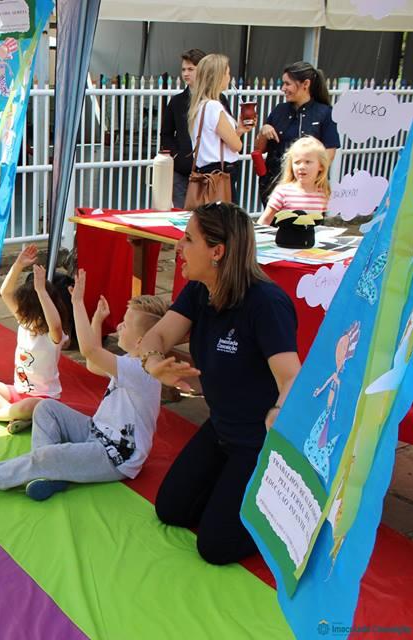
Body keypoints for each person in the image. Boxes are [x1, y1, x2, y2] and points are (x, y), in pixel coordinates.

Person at [139, 201, 301, 565]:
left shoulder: (265, 303)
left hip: (258, 441)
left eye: (188, 239)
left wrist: (278, 410)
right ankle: (233, 493)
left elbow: (292, 376)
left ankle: (282, 515)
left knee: (215, 547)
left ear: (217, 251)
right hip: (221, 428)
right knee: (171, 509)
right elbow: (157, 337)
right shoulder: (200, 291)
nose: (179, 247)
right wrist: (153, 365)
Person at [0, 269, 167, 501]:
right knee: (45, 409)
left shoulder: (142, 371)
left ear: (141, 340)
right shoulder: (132, 362)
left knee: (51, 454)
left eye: (125, 325)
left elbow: (89, 350)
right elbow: (93, 364)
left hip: (115, 456)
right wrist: (96, 321)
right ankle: (50, 473)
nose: (119, 327)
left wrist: (77, 302)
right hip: (94, 431)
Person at [0, 245, 70, 434]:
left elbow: (54, 324)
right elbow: (5, 293)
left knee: (27, 407)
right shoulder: (24, 322)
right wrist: (19, 264)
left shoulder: (54, 335)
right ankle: (14, 415)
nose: (23, 315)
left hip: (44, 400)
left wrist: (41, 291)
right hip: (16, 392)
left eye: (30, 313)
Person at [257, 61, 340, 207]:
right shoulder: (279, 110)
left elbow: (329, 154)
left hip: (307, 192)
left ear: (305, 84)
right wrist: (263, 131)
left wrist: (308, 177)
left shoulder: (325, 113)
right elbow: (259, 149)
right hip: (274, 187)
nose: (283, 88)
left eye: (287, 84)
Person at [160, 48, 231, 209]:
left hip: (210, 174)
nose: (186, 73)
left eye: (191, 69)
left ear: (204, 70)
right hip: (183, 171)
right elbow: (166, 134)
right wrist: (177, 156)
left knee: (209, 218)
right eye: (184, 69)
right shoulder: (177, 101)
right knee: (181, 215)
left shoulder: (219, 99)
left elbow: (228, 134)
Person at [188, 54, 253, 203]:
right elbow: (236, 145)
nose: (229, 78)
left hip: (205, 172)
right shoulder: (214, 106)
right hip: (220, 175)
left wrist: (239, 131)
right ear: (219, 76)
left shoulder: (200, 106)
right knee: (225, 221)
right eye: (227, 73)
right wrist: (238, 134)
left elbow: (216, 140)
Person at [256, 136, 331, 226]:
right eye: (297, 162)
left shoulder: (323, 193)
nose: (302, 167)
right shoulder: (283, 192)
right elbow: (264, 221)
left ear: (321, 166)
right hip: (286, 239)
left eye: (308, 162)